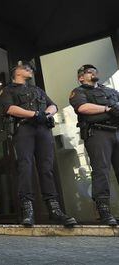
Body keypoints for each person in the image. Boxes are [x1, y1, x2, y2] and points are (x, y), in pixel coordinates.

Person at [0, 60, 77, 227]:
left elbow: (53, 105)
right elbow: (10, 109)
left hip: (43, 129)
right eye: (26, 68)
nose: (30, 70)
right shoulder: (8, 90)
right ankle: (28, 210)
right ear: (17, 71)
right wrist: (34, 114)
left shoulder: (37, 90)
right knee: (25, 166)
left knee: (46, 168)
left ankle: (54, 209)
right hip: (24, 129)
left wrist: (46, 114)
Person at [69, 64, 119, 226]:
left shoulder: (110, 91)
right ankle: (104, 212)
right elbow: (83, 108)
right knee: (101, 171)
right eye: (87, 72)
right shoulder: (79, 92)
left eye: (93, 71)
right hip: (98, 133)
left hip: (116, 130)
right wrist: (108, 108)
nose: (92, 73)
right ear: (81, 78)